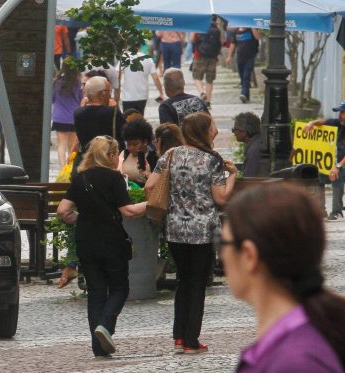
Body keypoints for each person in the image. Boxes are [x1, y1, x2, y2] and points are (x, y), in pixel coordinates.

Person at [221, 184, 345, 372]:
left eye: (222, 243)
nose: (220, 254)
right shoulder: (300, 341)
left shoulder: (295, 361)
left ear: (249, 255)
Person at [144, 112, 238, 354]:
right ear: (203, 131)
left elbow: (149, 185)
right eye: (211, 127)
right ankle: (191, 341)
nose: (214, 130)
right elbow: (221, 198)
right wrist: (233, 176)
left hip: (175, 229)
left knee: (183, 281)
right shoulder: (211, 160)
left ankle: (179, 336)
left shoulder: (170, 155)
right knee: (197, 285)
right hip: (202, 231)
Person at [57, 136, 147, 358]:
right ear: (110, 155)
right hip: (111, 240)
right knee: (119, 288)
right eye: (116, 153)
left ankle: (99, 347)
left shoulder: (80, 178)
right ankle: (105, 326)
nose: (117, 158)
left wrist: (83, 218)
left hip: (86, 241)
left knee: (96, 292)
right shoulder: (114, 178)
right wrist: (152, 204)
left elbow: (63, 211)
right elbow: (128, 211)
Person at [303, 100, 345, 221]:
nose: (340, 115)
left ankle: (337, 212)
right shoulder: (342, 123)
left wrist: (338, 166)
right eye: (339, 113)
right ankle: (320, 211)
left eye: (343, 112)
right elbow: (324, 121)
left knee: (336, 174)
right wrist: (311, 123)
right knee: (318, 175)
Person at [72, 76, 126, 179]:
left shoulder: (78, 113)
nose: (110, 95)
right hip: (108, 163)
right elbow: (125, 133)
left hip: (86, 162)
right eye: (109, 92)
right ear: (101, 94)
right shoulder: (112, 113)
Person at [52, 60, 83, 169]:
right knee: (72, 146)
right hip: (74, 118)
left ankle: (62, 168)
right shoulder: (78, 84)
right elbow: (81, 101)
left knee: (61, 145)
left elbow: (52, 99)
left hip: (59, 118)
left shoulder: (56, 83)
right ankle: (70, 168)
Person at [190, 17, 223, 106]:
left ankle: (202, 92)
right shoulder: (216, 27)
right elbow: (222, 41)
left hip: (199, 55)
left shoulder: (199, 25)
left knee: (197, 77)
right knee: (210, 80)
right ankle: (208, 101)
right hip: (213, 56)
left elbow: (192, 38)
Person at [117, 119, 156, 186]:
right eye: (129, 144)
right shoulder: (124, 154)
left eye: (135, 144)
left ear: (145, 141)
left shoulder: (153, 157)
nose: (131, 148)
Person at [227, 27, 261, 104]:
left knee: (246, 75)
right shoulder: (236, 31)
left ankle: (243, 93)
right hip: (240, 57)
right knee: (242, 76)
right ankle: (246, 95)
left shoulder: (251, 29)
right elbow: (233, 44)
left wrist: (253, 28)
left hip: (250, 56)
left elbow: (257, 37)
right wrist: (229, 56)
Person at [233, 112, 262, 177]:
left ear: (244, 132)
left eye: (234, 129)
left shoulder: (254, 150)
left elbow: (249, 178)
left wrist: (234, 173)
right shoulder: (256, 143)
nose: (234, 133)